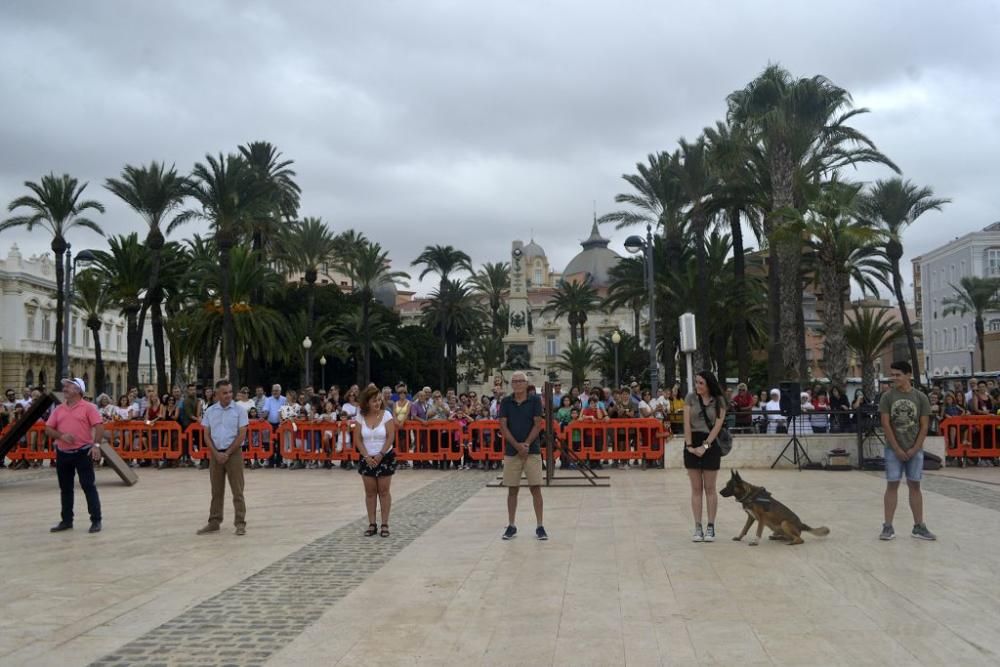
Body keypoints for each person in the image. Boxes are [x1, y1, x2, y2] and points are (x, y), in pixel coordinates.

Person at [879, 361, 934, 541]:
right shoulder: (887, 397)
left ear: (908, 375)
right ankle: (888, 526)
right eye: (892, 375)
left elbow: (924, 425)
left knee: (915, 485)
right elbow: (886, 424)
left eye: (898, 375)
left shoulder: (920, 397)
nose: (894, 378)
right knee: (892, 484)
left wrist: (915, 448)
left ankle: (918, 525)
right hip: (892, 449)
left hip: (914, 449)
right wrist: (896, 448)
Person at [45, 378, 104, 534]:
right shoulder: (58, 409)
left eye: (69, 386)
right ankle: (66, 521)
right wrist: (61, 436)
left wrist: (96, 445)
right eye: (65, 386)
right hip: (63, 453)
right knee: (65, 488)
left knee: (88, 486)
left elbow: (99, 426)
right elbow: (48, 429)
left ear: (78, 390)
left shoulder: (89, 407)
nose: (64, 388)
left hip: (83, 452)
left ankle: (96, 520)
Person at [498, 371, 547, 541]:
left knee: (535, 487)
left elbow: (538, 423)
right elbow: (503, 426)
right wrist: (517, 446)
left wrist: (526, 444)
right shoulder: (506, 402)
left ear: (526, 384)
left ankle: (540, 525)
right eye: (514, 381)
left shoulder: (534, 400)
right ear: (511, 384)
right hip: (512, 451)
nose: (518, 384)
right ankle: (511, 525)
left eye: (521, 381)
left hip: (531, 450)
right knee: (512, 489)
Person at [197, 379, 249, 536]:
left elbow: (242, 434)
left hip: (234, 454)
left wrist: (227, 453)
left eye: (230, 392)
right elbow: (206, 435)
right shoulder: (210, 411)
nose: (228, 395)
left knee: (237, 490)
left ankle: (240, 523)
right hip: (215, 455)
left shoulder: (239, 411)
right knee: (216, 490)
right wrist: (216, 453)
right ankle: (214, 521)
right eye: (225, 392)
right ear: (217, 394)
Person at [683, 370, 727, 543]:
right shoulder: (690, 399)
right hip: (692, 441)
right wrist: (689, 446)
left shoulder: (720, 401)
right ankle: (697, 527)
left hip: (711, 442)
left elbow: (717, 426)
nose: (697, 386)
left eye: (701, 383)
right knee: (695, 488)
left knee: (710, 488)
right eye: (696, 382)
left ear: (709, 383)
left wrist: (705, 446)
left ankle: (710, 526)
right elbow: (686, 423)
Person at [350, 385, 397, 537]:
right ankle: (372, 523)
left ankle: (385, 523)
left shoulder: (387, 415)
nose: (377, 403)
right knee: (370, 492)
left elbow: (390, 436)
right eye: (373, 401)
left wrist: (381, 454)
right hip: (366, 457)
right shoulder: (360, 417)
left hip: (384, 456)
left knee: (384, 491)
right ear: (367, 402)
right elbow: (357, 438)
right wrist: (366, 456)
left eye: (378, 400)